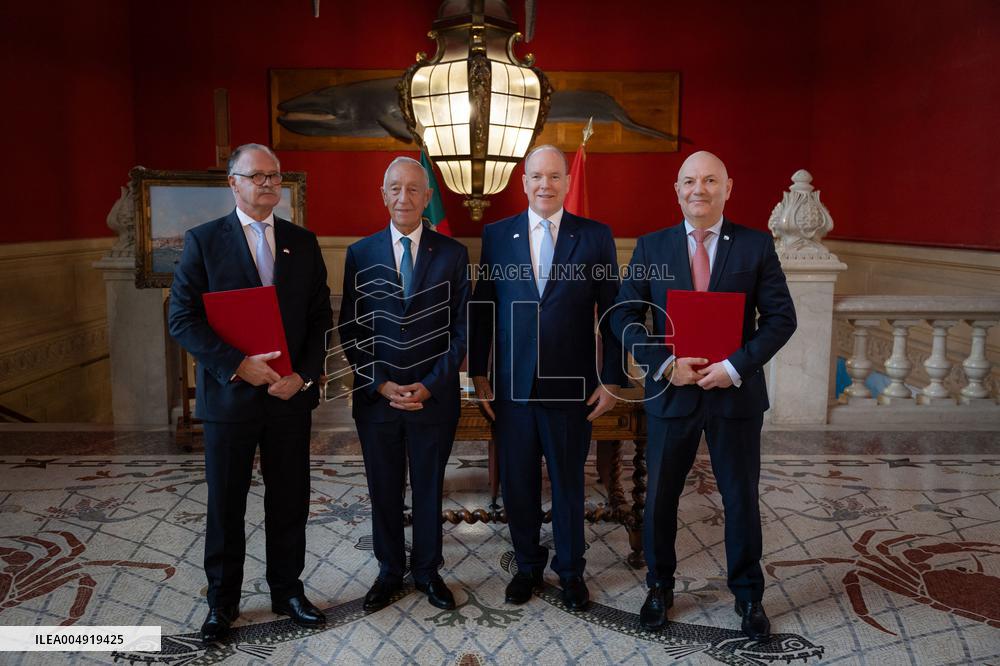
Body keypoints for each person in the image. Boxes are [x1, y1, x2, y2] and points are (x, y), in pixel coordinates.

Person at [610, 151, 796, 639]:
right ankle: (659, 587)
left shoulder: (756, 246)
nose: (699, 189)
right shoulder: (652, 246)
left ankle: (749, 596)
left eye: (710, 180)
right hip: (672, 393)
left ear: (727, 188)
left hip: (735, 396)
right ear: (677, 190)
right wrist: (665, 365)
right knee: (660, 498)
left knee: (740, 498)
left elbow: (782, 319)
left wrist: (734, 367)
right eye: (690, 181)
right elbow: (623, 315)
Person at [168, 143, 332, 641]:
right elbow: (182, 319)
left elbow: (319, 319)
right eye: (257, 175)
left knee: (289, 500)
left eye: (274, 175)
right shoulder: (203, 241)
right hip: (230, 397)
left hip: (288, 396)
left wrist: (303, 376)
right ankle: (222, 603)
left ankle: (287, 591)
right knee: (226, 505)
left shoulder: (302, 242)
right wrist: (238, 364)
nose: (268, 183)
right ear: (233, 183)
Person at [469, 145, 626, 611]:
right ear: (523, 182)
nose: (545, 184)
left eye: (554, 176)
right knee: (518, 485)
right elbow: (483, 305)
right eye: (536, 176)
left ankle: (572, 572)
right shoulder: (498, 234)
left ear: (566, 182)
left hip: (571, 385)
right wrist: (477, 371)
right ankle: (527, 567)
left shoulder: (595, 236)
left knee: (568, 484)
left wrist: (612, 378)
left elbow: (613, 311)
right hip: (511, 386)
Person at [337, 156, 470, 612]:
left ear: (427, 197)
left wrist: (430, 385)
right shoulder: (360, 254)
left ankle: (428, 571)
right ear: (383, 194)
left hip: (434, 399)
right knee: (384, 489)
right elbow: (351, 328)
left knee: (430, 488)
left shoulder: (452, 254)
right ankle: (389, 571)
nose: (404, 197)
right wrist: (380, 384)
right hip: (378, 400)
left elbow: (462, 330)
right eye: (395, 188)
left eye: (414, 189)